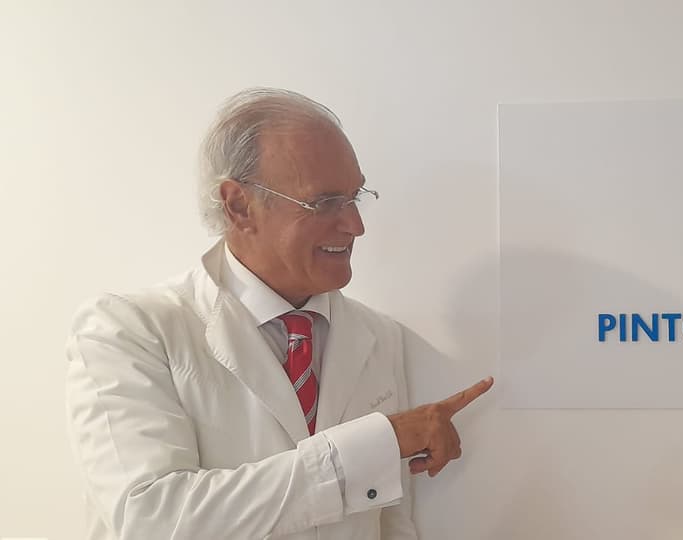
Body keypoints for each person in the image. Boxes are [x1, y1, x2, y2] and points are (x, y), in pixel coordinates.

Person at [63, 87, 492, 539]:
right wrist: (376, 446)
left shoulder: (377, 336)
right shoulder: (126, 331)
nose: (356, 225)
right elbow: (150, 519)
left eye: (355, 197)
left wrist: (382, 448)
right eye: (325, 203)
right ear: (239, 206)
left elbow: (390, 524)